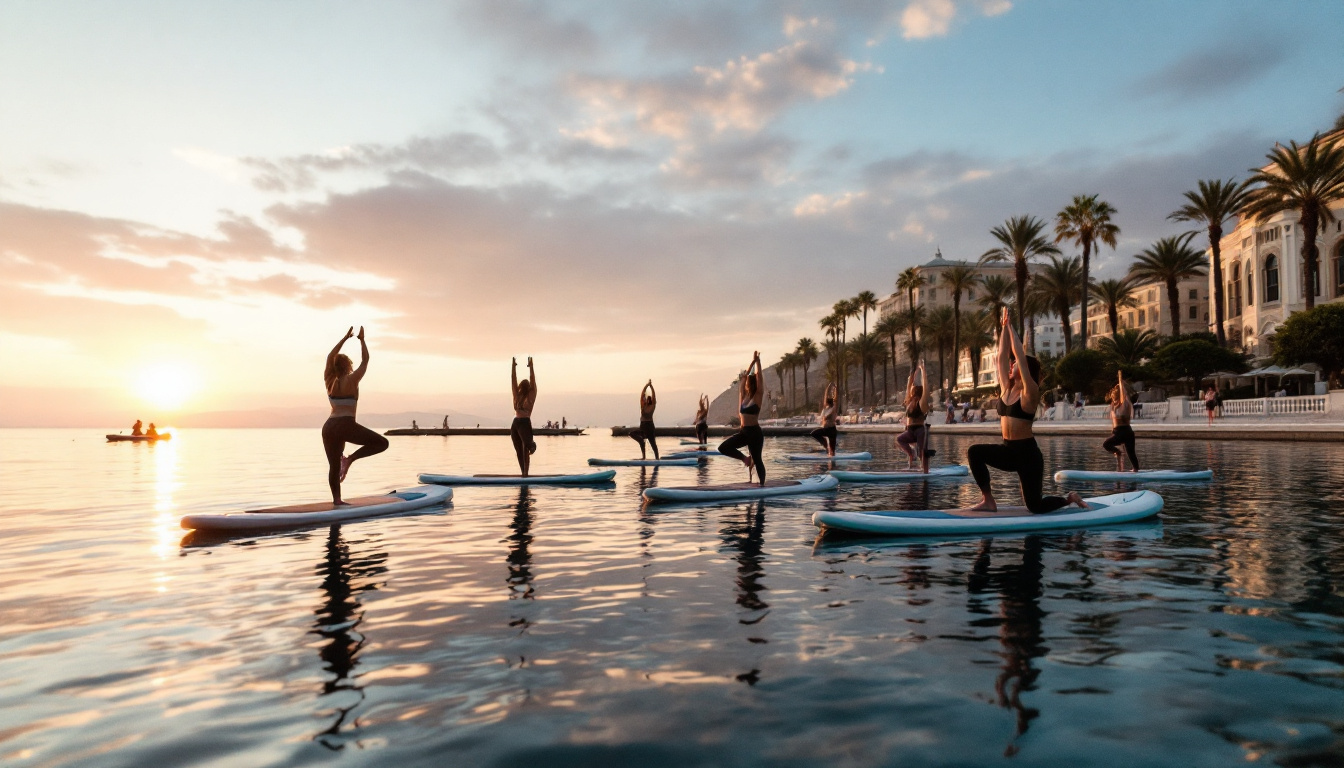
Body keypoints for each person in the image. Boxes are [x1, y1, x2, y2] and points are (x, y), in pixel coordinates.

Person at [967, 308, 1085, 513]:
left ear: (1024, 370)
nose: (1010, 365)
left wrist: (1012, 327)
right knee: (974, 452)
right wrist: (1004, 327)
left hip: (1027, 455)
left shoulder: (1030, 393)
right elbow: (1001, 356)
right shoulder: (1006, 388)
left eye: (1015, 365)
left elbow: (1019, 356)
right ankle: (988, 500)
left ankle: (1069, 499)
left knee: (1035, 506)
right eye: (1010, 365)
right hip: (1008, 450)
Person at [322, 326, 389, 505]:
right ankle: (350, 459)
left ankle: (337, 500)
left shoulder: (329, 380)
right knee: (382, 443)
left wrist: (344, 338)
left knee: (334, 466)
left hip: (329, 427)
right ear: (348, 366)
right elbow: (366, 360)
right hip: (345, 425)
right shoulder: (353, 380)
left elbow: (329, 356)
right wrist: (361, 340)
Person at [718, 351, 766, 485]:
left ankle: (762, 487)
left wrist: (757, 362)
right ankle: (745, 459)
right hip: (744, 432)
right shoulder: (743, 397)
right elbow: (745, 376)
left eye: (747, 382)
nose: (745, 383)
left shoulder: (758, 396)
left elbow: (759, 377)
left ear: (751, 384)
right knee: (723, 448)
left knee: (757, 460)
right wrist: (751, 362)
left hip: (755, 433)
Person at [896, 362, 933, 470]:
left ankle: (925, 473)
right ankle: (911, 455)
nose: (911, 388)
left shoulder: (922, 402)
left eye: (913, 388)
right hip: (910, 430)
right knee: (900, 439)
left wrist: (923, 371)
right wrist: (912, 374)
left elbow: (926, 387)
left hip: (920, 430)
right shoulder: (909, 402)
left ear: (916, 391)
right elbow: (908, 386)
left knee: (922, 453)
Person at [1103, 371, 1140, 472]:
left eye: (1115, 398)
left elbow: (1124, 394)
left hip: (1126, 432)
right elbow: (1114, 424)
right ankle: (1118, 453)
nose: (1114, 400)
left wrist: (1120, 380)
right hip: (1118, 432)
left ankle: (1136, 470)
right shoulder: (1113, 407)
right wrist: (1113, 432)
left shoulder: (1125, 404)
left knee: (1131, 453)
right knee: (1107, 444)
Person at [511, 357, 537, 476]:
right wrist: (513, 366)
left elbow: (532, 380)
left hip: (524, 422)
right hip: (515, 423)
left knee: (526, 447)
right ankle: (523, 473)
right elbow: (513, 380)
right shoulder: (517, 395)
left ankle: (532, 445)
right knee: (518, 450)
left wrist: (531, 367)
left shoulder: (531, 395)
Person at [629, 380, 660, 459]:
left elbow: (654, 396)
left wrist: (651, 386)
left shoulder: (652, 407)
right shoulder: (643, 406)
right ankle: (644, 456)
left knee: (653, 443)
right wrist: (647, 385)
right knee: (632, 434)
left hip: (649, 426)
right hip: (643, 427)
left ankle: (657, 458)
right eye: (647, 399)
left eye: (649, 399)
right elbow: (642, 394)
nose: (647, 400)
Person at [809, 383, 839, 456]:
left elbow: (836, 399)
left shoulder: (833, 409)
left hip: (832, 430)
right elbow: (825, 397)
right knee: (814, 433)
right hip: (825, 429)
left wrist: (836, 389)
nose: (827, 403)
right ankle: (825, 444)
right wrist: (827, 388)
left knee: (832, 452)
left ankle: (832, 460)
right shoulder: (825, 409)